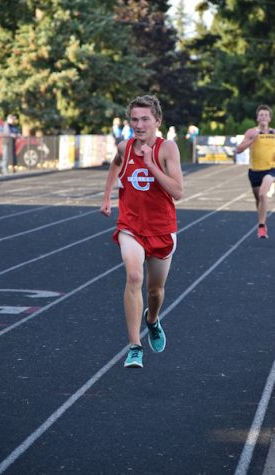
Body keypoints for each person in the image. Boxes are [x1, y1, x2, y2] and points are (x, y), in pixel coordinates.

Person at [101, 95, 183, 368]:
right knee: (134, 275)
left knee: (155, 291)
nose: (139, 124)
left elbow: (178, 192)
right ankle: (134, 346)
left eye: (145, 119)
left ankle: (152, 319)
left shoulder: (167, 149)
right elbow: (115, 164)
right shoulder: (125, 147)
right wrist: (107, 196)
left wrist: (150, 164)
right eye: (134, 119)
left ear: (157, 121)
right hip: (131, 226)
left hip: (161, 229)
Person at [236, 104, 275, 239]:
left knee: (264, 195)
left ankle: (262, 226)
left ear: (269, 118)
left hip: (271, 170)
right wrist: (252, 140)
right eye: (261, 115)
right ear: (257, 118)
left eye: (266, 115)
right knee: (259, 200)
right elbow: (238, 149)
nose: (263, 117)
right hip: (254, 172)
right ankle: (262, 219)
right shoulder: (251, 132)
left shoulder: (274, 133)